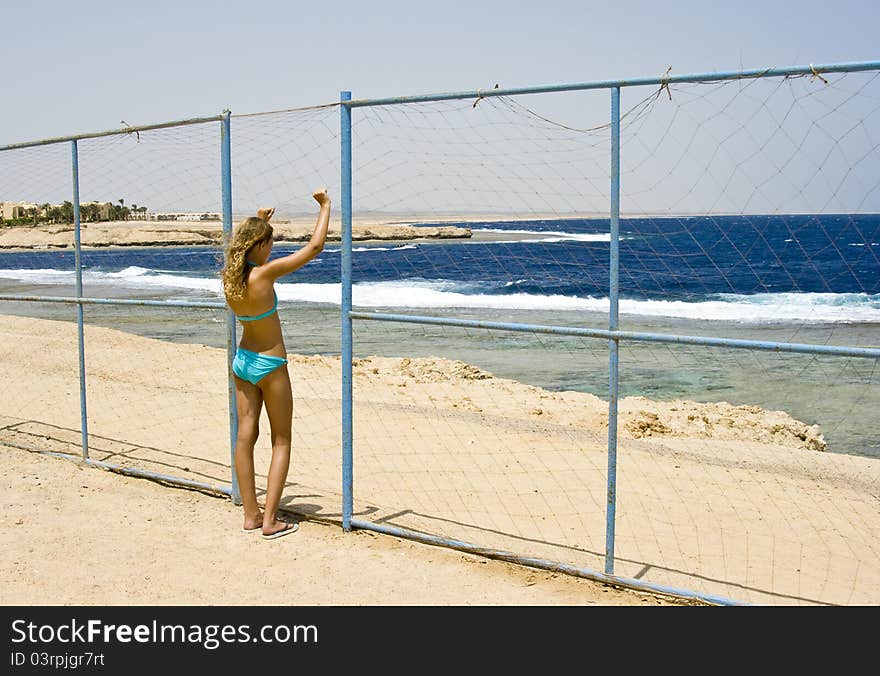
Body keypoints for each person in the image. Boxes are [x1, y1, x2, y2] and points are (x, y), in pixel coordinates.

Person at [220, 188, 331, 539]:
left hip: (243, 362)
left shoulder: (231, 279)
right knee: (281, 440)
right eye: (269, 243)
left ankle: (251, 515)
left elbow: (247, 247)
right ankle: (270, 521)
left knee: (244, 438)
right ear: (259, 247)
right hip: (270, 363)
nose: (273, 249)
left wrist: (259, 223)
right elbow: (314, 248)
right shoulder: (264, 276)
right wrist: (325, 206)